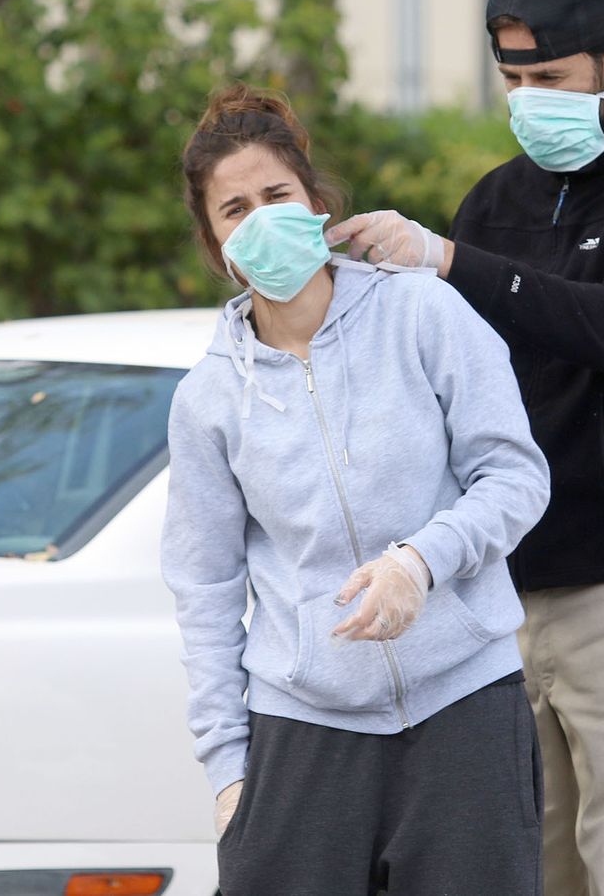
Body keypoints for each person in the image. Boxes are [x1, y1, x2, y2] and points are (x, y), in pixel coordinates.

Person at [327, 0, 604, 896]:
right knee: (512, 875)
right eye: (512, 79)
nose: (528, 99)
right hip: (496, 598)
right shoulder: (496, 198)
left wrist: (447, 259)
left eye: (549, 78)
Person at [159, 84, 552, 896]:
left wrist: (421, 562)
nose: (260, 218)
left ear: (314, 202)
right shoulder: (209, 398)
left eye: (276, 195)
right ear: (214, 240)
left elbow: (515, 475)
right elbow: (204, 587)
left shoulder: (422, 314)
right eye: (235, 210)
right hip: (301, 727)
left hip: (465, 707)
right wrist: (229, 768)